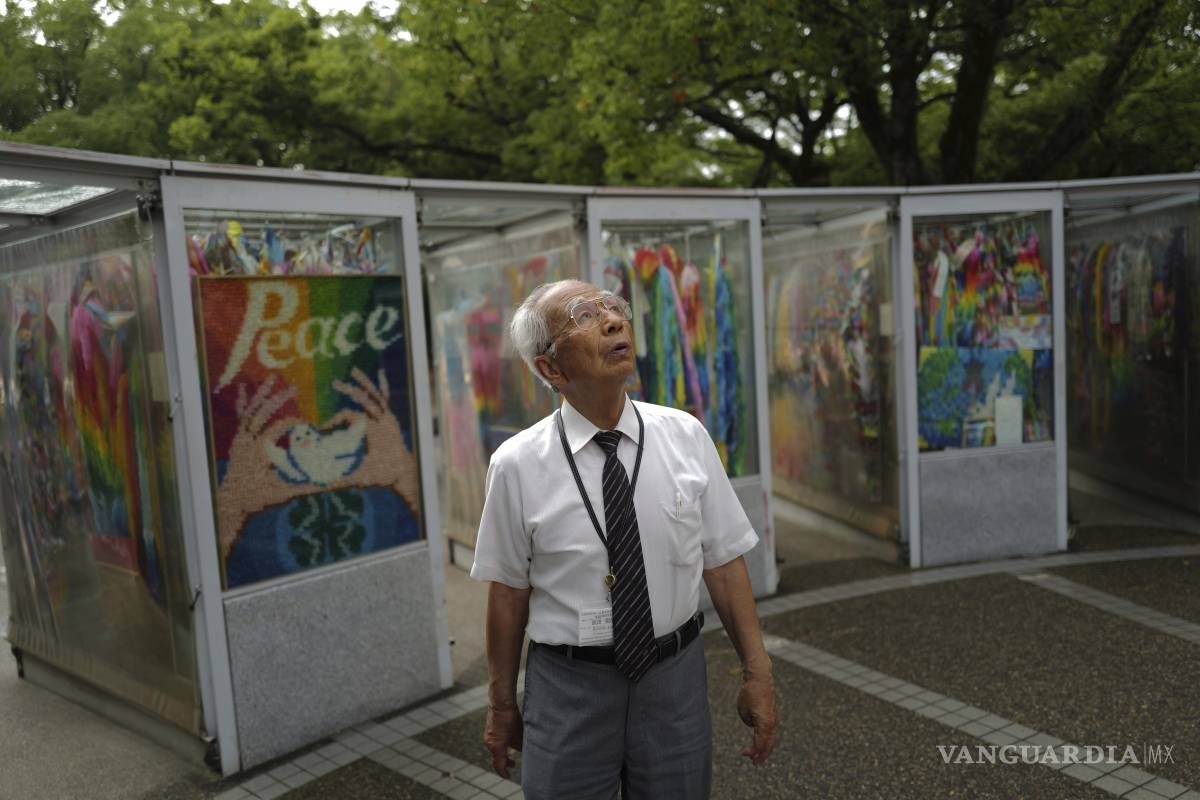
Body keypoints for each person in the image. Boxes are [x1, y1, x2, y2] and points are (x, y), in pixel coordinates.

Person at [470, 279, 778, 799]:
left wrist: (758, 672)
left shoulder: (685, 436)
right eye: (584, 317)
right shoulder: (516, 465)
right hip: (569, 687)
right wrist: (501, 705)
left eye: (613, 309)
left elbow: (723, 562)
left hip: (674, 679)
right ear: (550, 369)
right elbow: (507, 593)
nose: (614, 322)